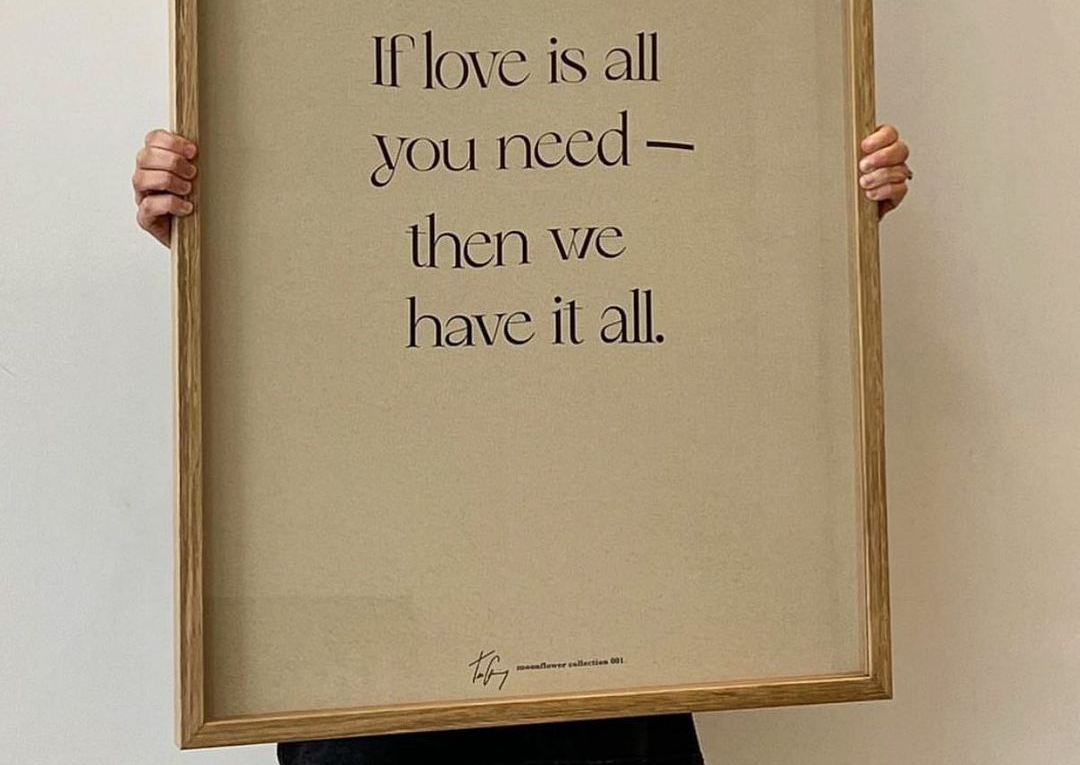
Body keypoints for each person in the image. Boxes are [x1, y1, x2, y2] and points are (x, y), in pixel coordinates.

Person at [133, 123, 912, 764]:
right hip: (374, 659)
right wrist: (210, 242)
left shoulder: (625, 166)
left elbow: (720, 331)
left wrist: (828, 208)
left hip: (601, 647)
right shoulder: (332, 124)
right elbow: (304, 337)